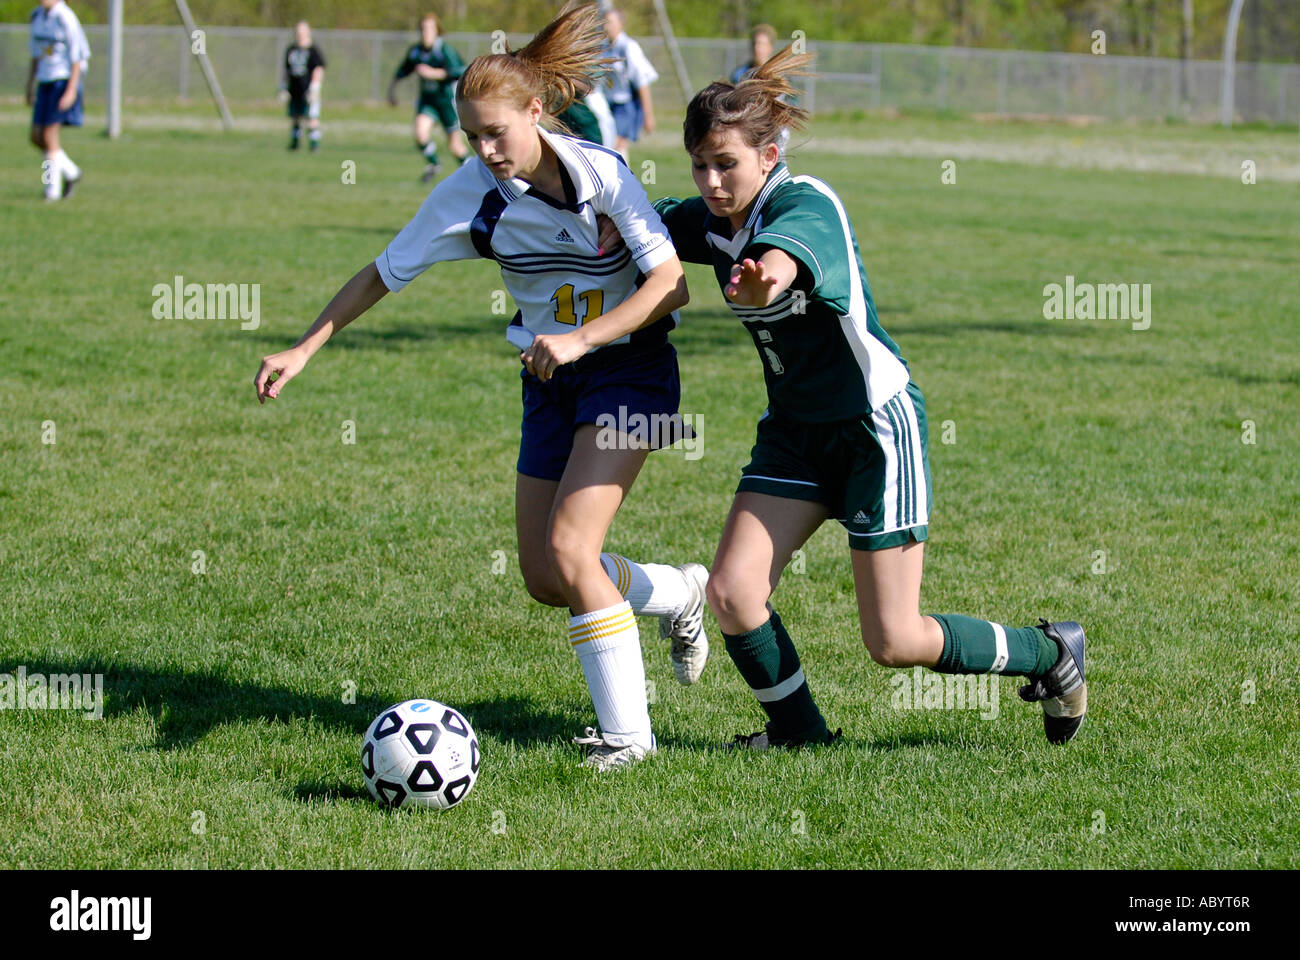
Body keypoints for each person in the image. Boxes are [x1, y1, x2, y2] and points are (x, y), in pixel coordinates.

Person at [254, 3, 709, 772]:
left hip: (633, 371)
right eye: (472, 135)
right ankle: (678, 594)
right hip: (547, 382)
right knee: (544, 575)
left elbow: (670, 285)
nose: (486, 149)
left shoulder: (603, 174)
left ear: (538, 112)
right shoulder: (470, 192)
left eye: (498, 131)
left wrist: (579, 338)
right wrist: (306, 346)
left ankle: (629, 740)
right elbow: (383, 272)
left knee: (573, 548)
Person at [605, 46, 1088, 749]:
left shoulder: (807, 203)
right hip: (795, 433)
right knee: (733, 593)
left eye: (727, 164)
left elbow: (783, 259)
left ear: (769, 154)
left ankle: (1054, 653)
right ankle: (800, 736)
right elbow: (638, 226)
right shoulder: (708, 219)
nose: (711, 181)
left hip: (873, 430)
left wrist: (761, 280)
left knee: (894, 640)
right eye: (699, 165)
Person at [388, 12, 470, 183]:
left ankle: (471, 171)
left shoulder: (444, 50)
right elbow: (402, 71)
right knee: (420, 133)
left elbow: (461, 70)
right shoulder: (416, 51)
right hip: (428, 101)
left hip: (446, 102)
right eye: (423, 29)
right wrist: (392, 90)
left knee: (455, 146)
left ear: (437, 31)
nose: (426, 33)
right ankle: (434, 164)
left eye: (430, 29)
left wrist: (435, 73)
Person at [26, 0, 89, 202]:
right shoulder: (36, 16)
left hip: (62, 81)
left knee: (49, 136)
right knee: (37, 137)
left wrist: (71, 90)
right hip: (44, 81)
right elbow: (36, 54)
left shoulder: (65, 17)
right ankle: (71, 172)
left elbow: (78, 56)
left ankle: (51, 190)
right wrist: (30, 84)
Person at [600, 7, 657, 162]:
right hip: (609, 104)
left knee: (617, 144)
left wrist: (648, 116)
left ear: (621, 24)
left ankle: (622, 181)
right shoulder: (605, 47)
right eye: (604, 23)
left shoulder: (628, 47)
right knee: (609, 144)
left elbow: (642, 83)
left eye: (610, 22)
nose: (606, 27)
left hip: (625, 105)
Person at [282, 21, 325, 152]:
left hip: (308, 90)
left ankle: (314, 144)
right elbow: (286, 70)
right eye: (298, 30)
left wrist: (315, 88)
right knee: (295, 117)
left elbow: (318, 69)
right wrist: (283, 87)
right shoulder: (291, 50)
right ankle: (295, 144)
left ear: (308, 31)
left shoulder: (313, 50)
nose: (300, 33)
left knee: (311, 117)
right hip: (294, 90)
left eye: (302, 30)